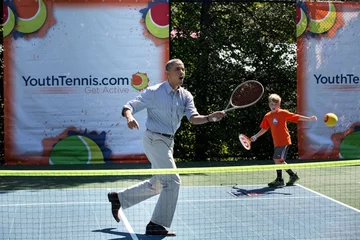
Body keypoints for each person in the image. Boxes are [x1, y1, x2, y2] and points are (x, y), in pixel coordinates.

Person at [107, 59, 226, 236]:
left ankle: (119, 198)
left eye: (183, 69)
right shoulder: (154, 92)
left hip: (168, 142)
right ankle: (156, 224)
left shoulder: (186, 96)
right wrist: (130, 117)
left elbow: (193, 118)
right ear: (168, 73)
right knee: (173, 181)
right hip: (154, 140)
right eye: (178, 69)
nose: (182, 72)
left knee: (158, 184)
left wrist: (209, 117)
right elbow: (129, 106)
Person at [250, 93, 317, 188]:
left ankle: (280, 179)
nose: (273, 106)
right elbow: (264, 128)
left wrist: (309, 119)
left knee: (277, 159)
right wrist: (256, 136)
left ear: (279, 105)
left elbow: (296, 116)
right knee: (279, 160)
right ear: (269, 104)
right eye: (271, 104)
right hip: (276, 142)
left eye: (275, 104)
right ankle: (292, 176)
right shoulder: (267, 116)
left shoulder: (283, 113)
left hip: (284, 141)